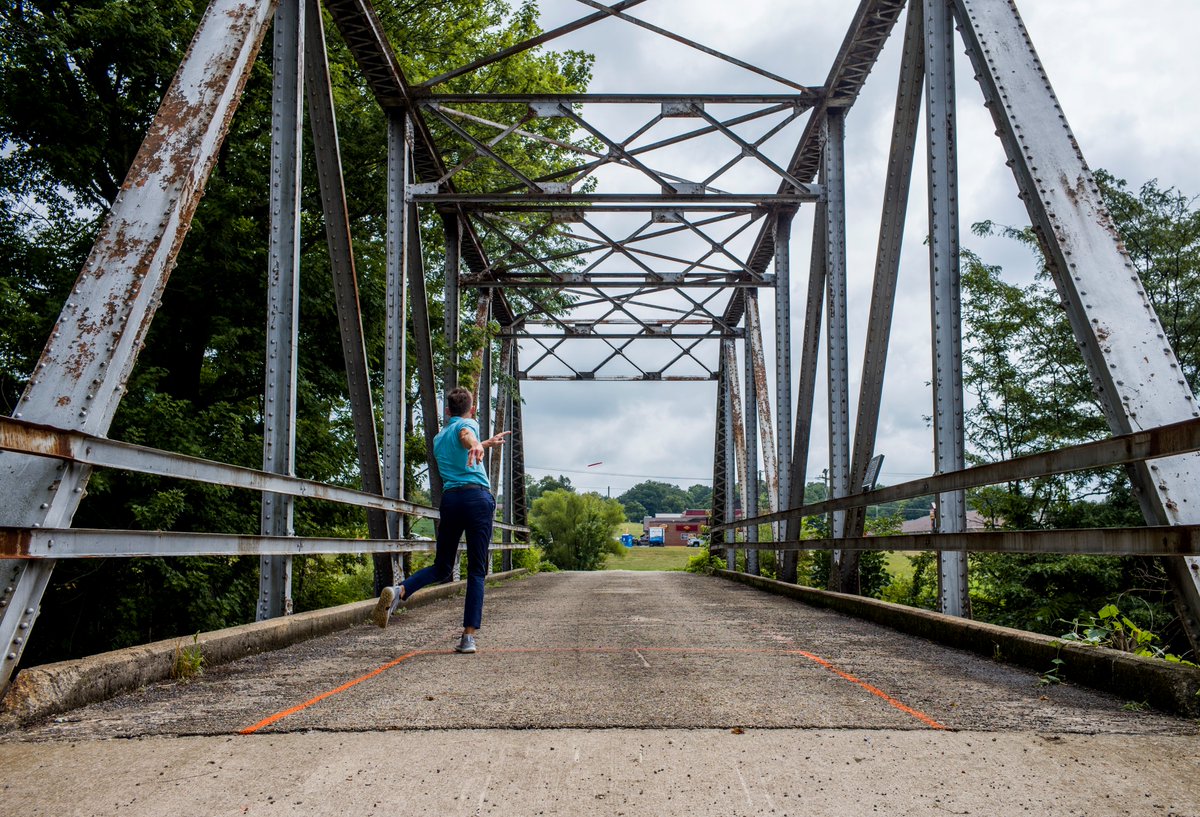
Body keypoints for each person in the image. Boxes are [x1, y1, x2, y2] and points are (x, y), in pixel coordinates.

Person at [372, 386, 510, 654]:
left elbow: (461, 443)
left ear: (447, 411)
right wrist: (475, 445)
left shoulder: (438, 438)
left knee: (442, 566)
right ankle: (468, 637)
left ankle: (400, 590)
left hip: (451, 501)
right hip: (476, 499)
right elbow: (465, 435)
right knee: (476, 570)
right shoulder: (468, 425)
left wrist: (483, 445)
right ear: (471, 410)